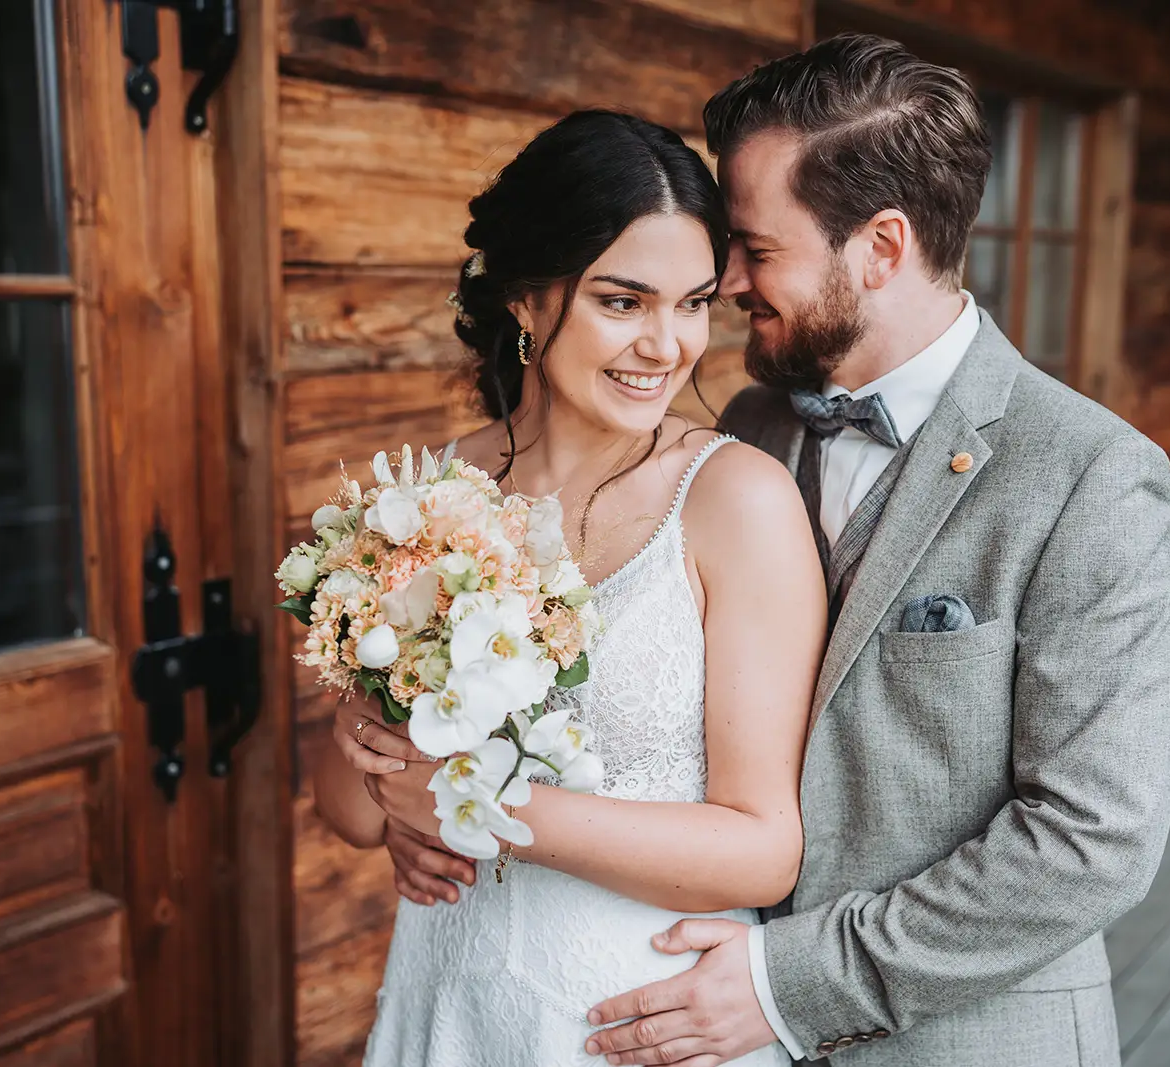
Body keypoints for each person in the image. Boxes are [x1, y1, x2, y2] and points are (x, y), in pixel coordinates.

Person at [381, 35, 1170, 1067]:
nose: (723, 281)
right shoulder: (748, 429)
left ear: (881, 249)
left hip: (957, 1037)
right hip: (657, 1003)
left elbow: (1092, 846)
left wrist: (788, 979)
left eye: (754, 248)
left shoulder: (1090, 477)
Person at [314, 108, 826, 1067]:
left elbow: (764, 847)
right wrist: (375, 754)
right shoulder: (433, 493)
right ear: (524, 297)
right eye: (623, 302)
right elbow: (344, 808)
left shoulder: (733, 501)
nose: (667, 346)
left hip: (638, 1016)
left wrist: (477, 806)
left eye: (692, 303)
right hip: (453, 994)